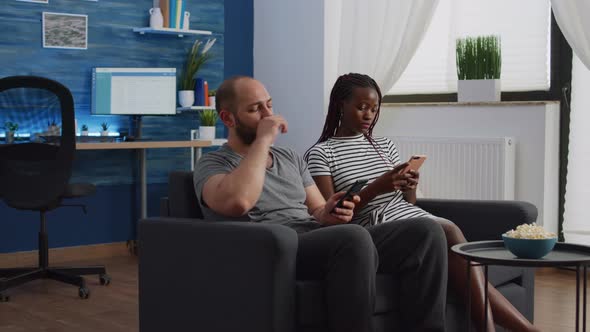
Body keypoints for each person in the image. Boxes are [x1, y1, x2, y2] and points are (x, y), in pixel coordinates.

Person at [193, 76, 448, 332]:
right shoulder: (213, 164)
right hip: (275, 247)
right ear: (228, 119)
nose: (268, 116)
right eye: (255, 109)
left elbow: (317, 210)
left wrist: (331, 211)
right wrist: (262, 141)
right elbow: (238, 201)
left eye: (269, 105)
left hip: (314, 239)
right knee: (353, 237)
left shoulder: (290, 157)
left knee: (426, 232)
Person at [305, 73, 540, 332]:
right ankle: (510, 329)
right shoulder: (321, 153)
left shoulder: (383, 146)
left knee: (450, 243)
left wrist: (410, 185)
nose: (369, 115)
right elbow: (332, 217)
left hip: (408, 218)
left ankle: (503, 328)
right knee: (448, 230)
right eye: (361, 107)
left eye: (374, 109)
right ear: (340, 104)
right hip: (369, 232)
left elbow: (409, 203)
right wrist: (379, 186)